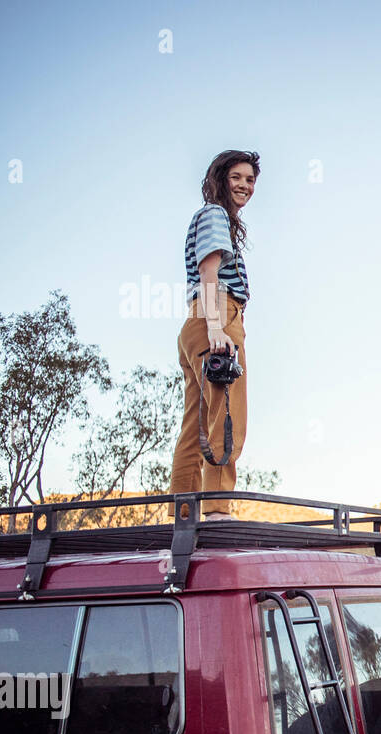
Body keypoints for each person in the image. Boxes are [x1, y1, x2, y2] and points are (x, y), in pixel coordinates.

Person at [168, 150, 259, 521]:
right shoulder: (214, 215)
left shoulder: (211, 217)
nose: (245, 185)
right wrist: (217, 327)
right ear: (220, 179)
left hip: (198, 322)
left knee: (196, 424)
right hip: (215, 314)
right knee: (227, 414)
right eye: (237, 177)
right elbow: (210, 270)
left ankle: (185, 512)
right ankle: (218, 510)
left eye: (250, 180)